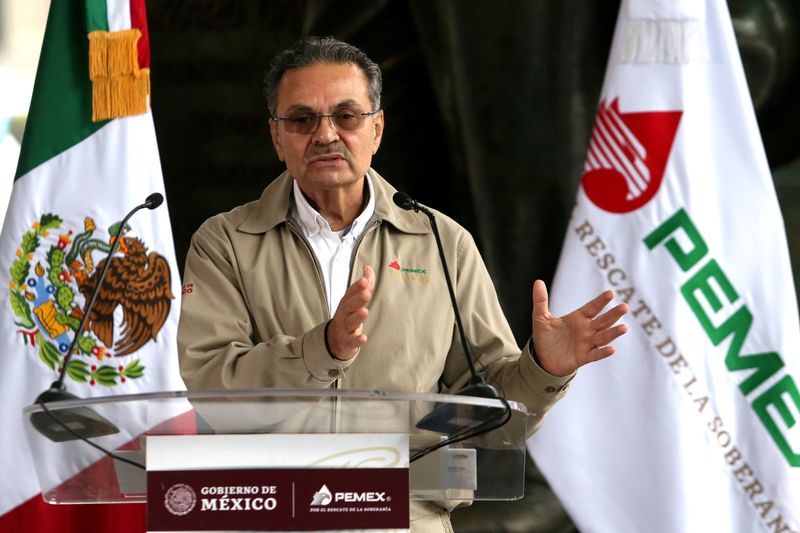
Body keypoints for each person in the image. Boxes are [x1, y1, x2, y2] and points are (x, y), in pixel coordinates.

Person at [177, 36, 628, 532]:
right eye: (303, 120)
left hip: (405, 517)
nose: (325, 135)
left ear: (377, 128)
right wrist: (320, 351)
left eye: (346, 116)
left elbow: (487, 413)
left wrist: (542, 368)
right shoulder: (226, 242)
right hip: (269, 516)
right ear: (276, 137)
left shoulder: (440, 241)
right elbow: (213, 389)